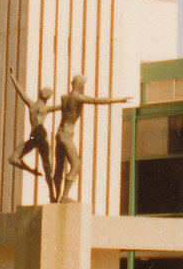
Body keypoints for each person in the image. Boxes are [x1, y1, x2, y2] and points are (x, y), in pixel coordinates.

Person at [53, 74, 130, 202]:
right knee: (76, 164)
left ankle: (54, 196)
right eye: (83, 84)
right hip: (66, 134)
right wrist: (120, 100)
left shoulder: (64, 98)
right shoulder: (77, 97)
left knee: (59, 166)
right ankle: (64, 197)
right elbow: (98, 101)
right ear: (80, 85)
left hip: (60, 133)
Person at [8, 68, 60, 202]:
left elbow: (21, 93)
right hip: (38, 134)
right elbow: (61, 107)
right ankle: (46, 186)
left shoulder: (33, 105)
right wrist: (13, 78)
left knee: (16, 158)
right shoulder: (44, 108)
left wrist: (13, 78)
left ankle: (51, 194)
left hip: (37, 134)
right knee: (44, 164)